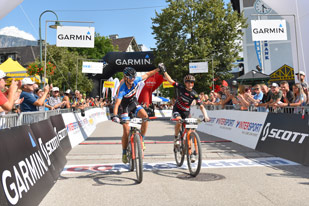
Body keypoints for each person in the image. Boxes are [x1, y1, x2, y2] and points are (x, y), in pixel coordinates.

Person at [158, 63, 209, 162]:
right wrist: (164, 71)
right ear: (185, 83)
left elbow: (201, 106)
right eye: (189, 82)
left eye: (192, 83)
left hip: (186, 112)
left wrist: (206, 116)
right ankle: (176, 137)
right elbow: (170, 80)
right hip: (177, 109)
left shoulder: (194, 94)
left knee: (191, 130)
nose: (190, 84)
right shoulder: (181, 87)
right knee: (179, 121)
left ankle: (192, 153)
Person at [112, 66, 160, 164]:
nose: (132, 79)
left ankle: (142, 139)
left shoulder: (136, 80)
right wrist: (115, 115)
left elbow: (147, 74)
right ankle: (124, 152)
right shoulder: (122, 88)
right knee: (126, 131)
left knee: (145, 117)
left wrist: (158, 70)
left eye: (133, 77)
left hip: (133, 103)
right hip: (124, 107)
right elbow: (117, 104)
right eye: (130, 77)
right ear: (125, 77)